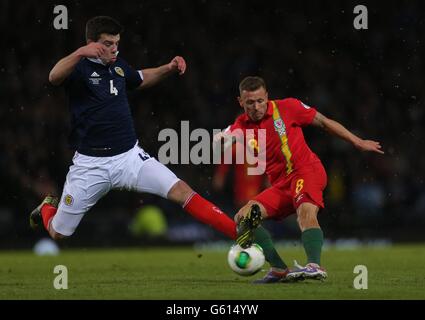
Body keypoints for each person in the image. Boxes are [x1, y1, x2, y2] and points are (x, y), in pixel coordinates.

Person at [29, 16, 258, 247]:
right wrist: (81, 52)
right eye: (108, 43)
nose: (114, 48)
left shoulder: (118, 67)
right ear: (92, 43)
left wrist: (168, 68)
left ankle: (240, 236)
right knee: (59, 233)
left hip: (129, 157)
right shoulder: (79, 68)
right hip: (91, 165)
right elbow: (53, 76)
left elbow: (140, 78)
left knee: (181, 191)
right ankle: (48, 205)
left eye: (117, 43)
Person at [214, 76, 384, 283]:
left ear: (267, 96)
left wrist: (357, 142)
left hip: (306, 171)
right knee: (243, 219)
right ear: (240, 102)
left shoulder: (288, 107)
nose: (256, 107)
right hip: (281, 184)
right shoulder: (240, 124)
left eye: (260, 101)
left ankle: (314, 265)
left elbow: (322, 121)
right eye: (250, 102)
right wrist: (221, 140)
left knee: (305, 212)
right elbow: (228, 136)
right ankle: (278, 268)